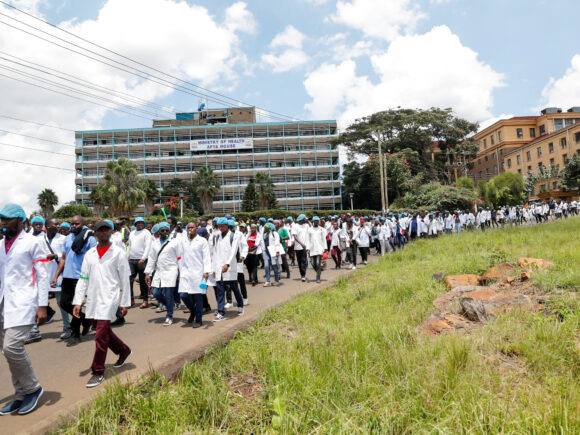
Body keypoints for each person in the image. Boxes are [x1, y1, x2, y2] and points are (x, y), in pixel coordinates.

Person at [0, 204, 50, 415]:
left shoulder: (33, 241)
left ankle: (33, 389)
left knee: (12, 347)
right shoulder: (0, 244)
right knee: (8, 352)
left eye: (8, 219)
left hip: (25, 302)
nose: (3, 222)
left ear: (21, 221)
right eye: (2, 219)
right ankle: (20, 395)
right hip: (4, 304)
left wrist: (42, 305)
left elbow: (43, 274)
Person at [72, 221, 131, 388]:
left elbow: (125, 280)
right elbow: (83, 278)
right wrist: (78, 301)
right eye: (100, 230)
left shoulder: (118, 253)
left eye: (106, 230)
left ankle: (98, 371)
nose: (103, 233)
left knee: (99, 335)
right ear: (95, 233)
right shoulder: (89, 254)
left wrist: (124, 302)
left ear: (111, 232)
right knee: (103, 331)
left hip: (110, 298)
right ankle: (124, 350)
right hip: (93, 298)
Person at [51, 215, 96, 346]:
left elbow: (95, 257)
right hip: (67, 276)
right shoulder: (67, 239)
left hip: (81, 277)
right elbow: (64, 258)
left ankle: (75, 334)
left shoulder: (90, 239)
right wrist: (56, 275)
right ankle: (85, 320)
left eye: (76, 224)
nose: (74, 226)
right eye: (72, 224)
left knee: (76, 304)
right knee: (64, 303)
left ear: (83, 224)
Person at [145, 222, 181, 326]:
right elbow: (151, 259)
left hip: (171, 270)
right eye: (162, 230)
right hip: (159, 271)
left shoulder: (174, 242)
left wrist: (180, 273)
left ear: (169, 231)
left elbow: (179, 257)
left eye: (167, 230)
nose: (165, 232)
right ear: (159, 231)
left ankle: (169, 316)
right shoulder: (155, 243)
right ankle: (169, 305)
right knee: (156, 292)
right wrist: (148, 273)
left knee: (169, 293)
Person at [178, 222, 212, 328]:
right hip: (185, 272)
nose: (190, 229)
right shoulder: (183, 241)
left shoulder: (202, 241)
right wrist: (180, 272)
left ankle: (199, 319)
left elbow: (206, 257)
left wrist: (206, 271)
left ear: (196, 228)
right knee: (183, 294)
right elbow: (180, 257)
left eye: (192, 227)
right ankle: (193, 311)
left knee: (198, 296)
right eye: (188, 228)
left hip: (199, 273)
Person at [212, 217, 244, 321]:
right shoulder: (217, 237)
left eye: (223, 226)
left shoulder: (233, 236)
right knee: (220, 291)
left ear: (227, 226)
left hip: (230, 268)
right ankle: (221, 312)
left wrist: (227, 264)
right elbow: (215, 254)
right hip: (219, 268)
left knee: (234, 287)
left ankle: (240, 305)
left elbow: (233, 251)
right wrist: (214, 269)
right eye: (219, 226)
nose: (221, 228)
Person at [128, 217, 152, 309]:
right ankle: (131, 300)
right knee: (129, 280)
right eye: (138, 223)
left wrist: (143, 257)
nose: (139, 224)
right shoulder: (132, 233)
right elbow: (129, 246)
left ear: (144, 224)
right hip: (131, 259)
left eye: (141, 223)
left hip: (142, 260)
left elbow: (148, 246)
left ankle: (145, 300)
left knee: (143, 281)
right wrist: (127, 257)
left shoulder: (146, 233)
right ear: (135, 224)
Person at [307, 216, 327, 283]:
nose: (316, 222)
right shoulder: (309, 229)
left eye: (317, 221)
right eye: (315, 221)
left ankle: (318, 277)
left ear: (319, 222)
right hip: (312, 248)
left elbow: (324, 239)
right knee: (313, 263)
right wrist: (308, 248)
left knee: (318, 262)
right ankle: (319, 271)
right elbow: (308, 240)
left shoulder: (321, 229)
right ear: (313, 221)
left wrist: (325, 248)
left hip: (319, 248)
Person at [291, 214, 309, 282]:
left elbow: (309, 232)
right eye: (305, 219)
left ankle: (303, 275)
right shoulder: (295, 226)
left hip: (305, 246)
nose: (306, 220)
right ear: (302, 219)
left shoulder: (306, 225)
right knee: (300, 262)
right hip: (298, 247)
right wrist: (301, 244)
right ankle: (302, 275)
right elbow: (295, 237)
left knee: (304, 261)